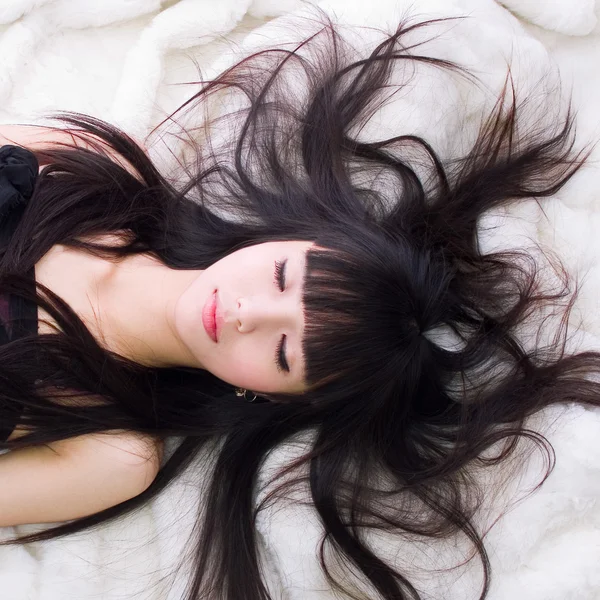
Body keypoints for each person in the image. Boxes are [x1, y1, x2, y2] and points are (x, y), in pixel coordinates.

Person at [0, 17, 596, 600]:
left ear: (273, 396)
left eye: (283, 352)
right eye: (283, 277)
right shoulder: (90, 172)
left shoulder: (112, 454)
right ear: (288, 238)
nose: (249, 314)